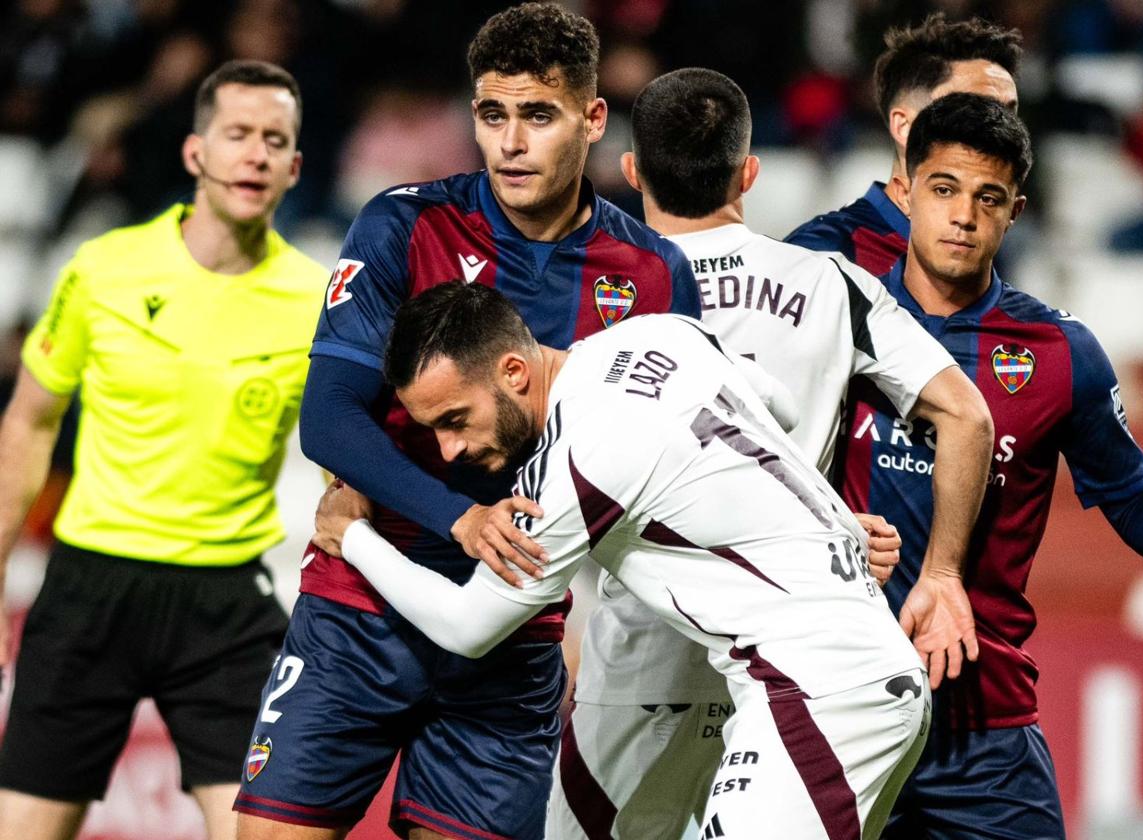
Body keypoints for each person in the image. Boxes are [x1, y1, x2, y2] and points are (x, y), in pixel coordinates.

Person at [232, 6, 699, 840]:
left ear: (593, 119)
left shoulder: (654, 275)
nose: (511, 142)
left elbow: (691, 450)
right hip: (362, 604)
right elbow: (329, 420)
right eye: (492, 114)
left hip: (513, 631)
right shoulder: (405, 224)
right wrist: (460, 516)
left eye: (538, 115)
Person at [545, 67, 995, 840]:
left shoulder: (591, 290)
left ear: (632, 170)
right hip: (791, 652)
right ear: (749, 172)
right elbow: (967, 415)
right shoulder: (829, 282)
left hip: (642, 661)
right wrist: (942, 572)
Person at [311, 281, 931, 840]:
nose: (448, 451)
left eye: (455, 420)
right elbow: (778, 406)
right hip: (857, 676)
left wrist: (355, 537)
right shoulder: (661, 332)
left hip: (819, 693)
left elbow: (468, 626)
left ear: (513, 370)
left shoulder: (578, 462)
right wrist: (810, 519)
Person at [840, 91, 1143, 839]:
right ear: (905, 192)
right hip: (843, 713)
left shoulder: (1059, 354)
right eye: (943, 190)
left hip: (985, 731)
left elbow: (1139, 506)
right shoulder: (832, 325)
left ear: (1016, 212)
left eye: (988, 198)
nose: (963, 216)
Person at [0, 60, 325, 840]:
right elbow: (29, 424)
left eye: (273, 140)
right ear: (195, 153)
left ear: (294, 167)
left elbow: (346, 452)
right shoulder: (104, 270)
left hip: (226, 605)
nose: (254, 154)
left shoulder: (319, 298)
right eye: (237, 134)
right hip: (88, 589)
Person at [786, 13, 1022, 274]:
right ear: (905, 126)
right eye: (974, 111)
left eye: (1008, 114)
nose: (1003, 132)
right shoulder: (822, 257)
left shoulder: (989, 257)